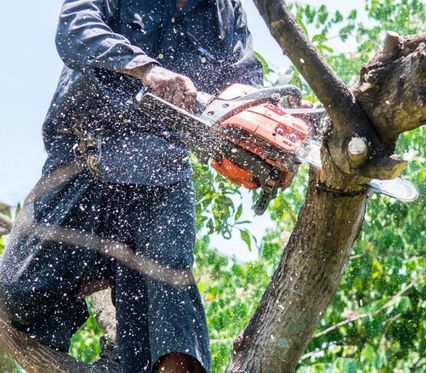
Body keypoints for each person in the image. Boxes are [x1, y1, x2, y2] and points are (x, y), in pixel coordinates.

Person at [0, 0, 262, 372]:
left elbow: (244, 80)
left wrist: (262, 133)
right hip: (85, 156)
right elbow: (75, 27)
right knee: (16, 294)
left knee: (169, 300)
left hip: (162, 170)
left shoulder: (224, 11)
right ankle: (95, 275)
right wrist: (147, 71)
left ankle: (128, 359)